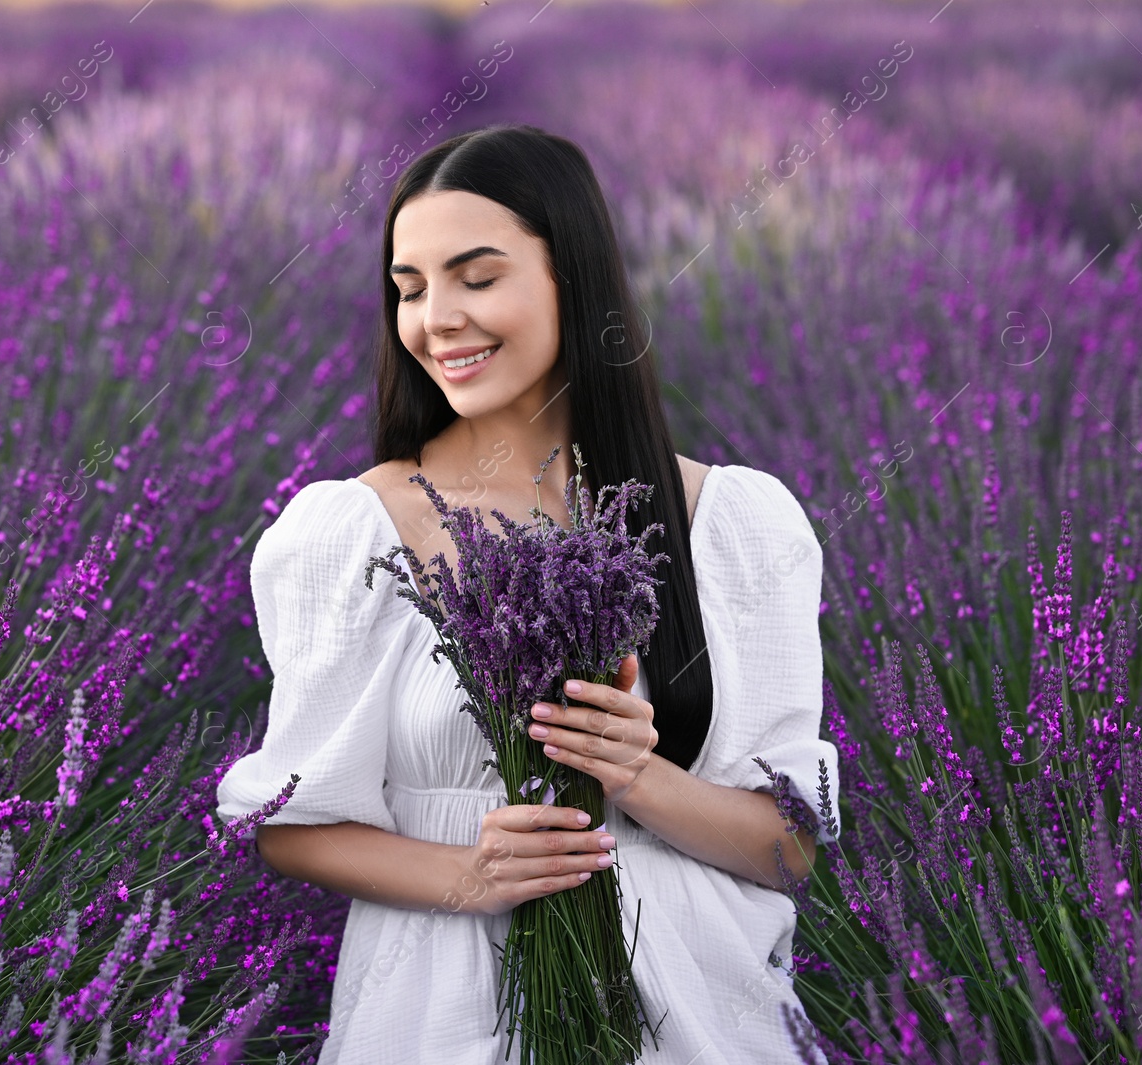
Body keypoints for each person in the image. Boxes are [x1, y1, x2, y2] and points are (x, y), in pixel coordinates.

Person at [215, 123, 840, 1064]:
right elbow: (291, 825)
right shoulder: (354, 534)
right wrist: (472, 874)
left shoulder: (734, 524)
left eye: (477, 276)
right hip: (439, 1021)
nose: (437, 319)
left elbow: (789, 848)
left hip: (700, 1027)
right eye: (410, 289)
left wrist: (637, 775)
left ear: (573, 280)